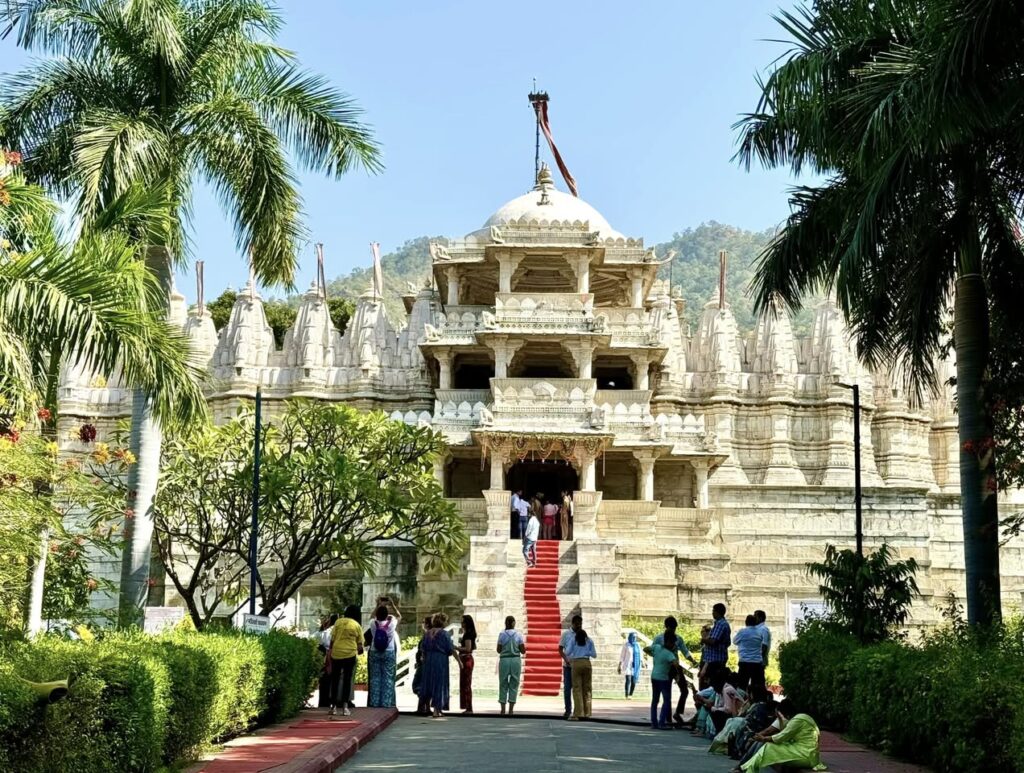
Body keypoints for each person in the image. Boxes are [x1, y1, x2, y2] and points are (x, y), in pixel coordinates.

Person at [738, 700, 826, 773]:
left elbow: (781, 736)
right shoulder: (800, 718)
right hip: (806, 753)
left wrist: (763, 738)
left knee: (769, 747)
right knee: (769, 746)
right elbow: (785, 732)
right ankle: (747, 768)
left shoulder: (798, 720)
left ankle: (747, 768)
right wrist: (780, 718)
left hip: (806, 755)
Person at [328, 605, 363, 717]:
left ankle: (333, 706)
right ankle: (345, 707)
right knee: (347, 680)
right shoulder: (357, 625)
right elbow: (360, 645)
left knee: (335, 679)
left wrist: (330, 652)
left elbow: (332, 639)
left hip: (336, 653)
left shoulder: (338, 622)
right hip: (350, 654)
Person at [420, 613, 455, 718]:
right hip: (440, 659)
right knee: (439, 683)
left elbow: (423, 647)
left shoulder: (427, 634)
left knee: (429, 682)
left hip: (429, 659)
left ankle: (426, 707)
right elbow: (450, 648)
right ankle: (437, 709)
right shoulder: (444, 634)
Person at [366, 604, 400, 708]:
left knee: (375, 678)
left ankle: (375, 702)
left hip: (374, 651)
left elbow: (371, 616)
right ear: (387, 615)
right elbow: (398, 616)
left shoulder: (373, 623)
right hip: (389, 651)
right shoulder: (391, 624)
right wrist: (392, 604)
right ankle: (386, 703)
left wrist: (376, 605)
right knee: (388, 678)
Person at [645, 632, 679, 729]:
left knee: (655, 700)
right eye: (673, 643)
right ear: (669, 642)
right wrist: (677, 675)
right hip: (664, 679)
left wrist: (653, 655)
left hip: (654, 677)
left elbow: (645, 649)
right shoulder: (670, 654)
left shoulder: (656, 647)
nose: (674, 645)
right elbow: (676, 664)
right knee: (666, 700)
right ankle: (662, 722)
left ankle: (654, 722)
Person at [565, 622, 596, 720]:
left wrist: (575, 652)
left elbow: (567, 652)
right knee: (587, 688)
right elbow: (594, 654)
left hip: (576, 663)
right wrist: (586, 651)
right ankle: (587, 712)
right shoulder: (589, 641)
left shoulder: (573, 640)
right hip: (587, 663)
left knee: (577, 688)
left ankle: (578, 713)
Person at [497, 615, 526, 716]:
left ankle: (502, 709)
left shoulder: (502, 634)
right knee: (514, 683)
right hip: (515, 660)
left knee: (503, 683)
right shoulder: (518, 635)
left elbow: (498, 650)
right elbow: (523, 651)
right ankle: (511, 709)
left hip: (504, 660)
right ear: (513, 623)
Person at [733, 614, 766, 695]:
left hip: (745, 662)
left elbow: (734, 641)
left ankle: (742, 703)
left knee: (742, 686)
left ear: (746, 622)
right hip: (757, 663)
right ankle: (756, 702)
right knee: (757, 686)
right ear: (755, 623)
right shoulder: (759, 633)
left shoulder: (742, 632)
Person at [701, 603, 732, 682]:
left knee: (714, 683)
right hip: (716, 658)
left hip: (715, 660)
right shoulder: (721, 624)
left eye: (713, 611)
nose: (712, 613)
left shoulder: (720, 624)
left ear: (717, 612)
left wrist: (703, 640)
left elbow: (713, 641)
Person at [559, 614, 582, 719]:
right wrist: (565, 659)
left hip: (578, 665)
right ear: (572, 624)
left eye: (580, 624)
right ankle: (568, 709)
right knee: (567, 688)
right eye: (577, 624)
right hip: (568, 665)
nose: (578, 626)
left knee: (577, 689)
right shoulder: (566, 634)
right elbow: (560, 649)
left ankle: (578, 710)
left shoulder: (582, 634)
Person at [317, 613, 338, 708]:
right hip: (336, 657)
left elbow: (320, 641)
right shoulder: (337, 630)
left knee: (325, 680)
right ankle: (333, 701)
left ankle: (323, 702)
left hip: (326, 658)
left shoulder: (326, 632)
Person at [457, 614, 477, 713]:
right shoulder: (468, 633)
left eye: (463, 622)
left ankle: (469, 707)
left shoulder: (468, 634)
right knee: (464, 683)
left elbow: (468, 648)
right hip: (465, 659)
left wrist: (456, 648)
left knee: (466, 683)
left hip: (466, 659)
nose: (461, 623)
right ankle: (467, 705)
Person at [413, 615, 432, 715]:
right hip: (426, 663)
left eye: (424, 622)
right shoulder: (430, 635)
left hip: (424, 663)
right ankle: (426, 707)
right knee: (425, 685)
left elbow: (423, 650)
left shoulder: (427, 635)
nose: (422, 624)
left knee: (418, 685)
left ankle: (422, 707)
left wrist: (420, 660)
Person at [618, 632, 644, 698]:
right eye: (633, 637)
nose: (634, 638)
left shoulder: (638, 645)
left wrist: (642, 662)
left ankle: (631, 694)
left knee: (634, 680)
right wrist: (620, 665)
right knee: (628, 679)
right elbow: (622, 655)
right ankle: (626, 694)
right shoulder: (626, 645)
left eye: (635, 637)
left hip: (636, 665)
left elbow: (641, 654)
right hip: (628, 664)